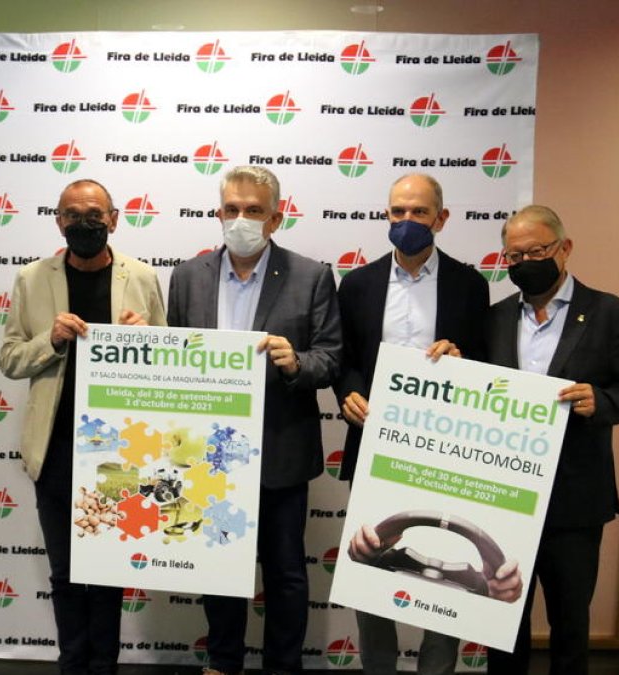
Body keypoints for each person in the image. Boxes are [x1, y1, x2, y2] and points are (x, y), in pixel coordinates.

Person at [336, 173, 520, 674]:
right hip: (374, 445)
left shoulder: (469, 284)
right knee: (373, 569)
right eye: (398, 211)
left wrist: (462, 359)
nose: (407, 221)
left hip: (445, 452)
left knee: (447, 582)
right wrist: (347, 393)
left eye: (419, 212)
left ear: (441, 218)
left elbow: (486, 364)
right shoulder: (357, 284)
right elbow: (344, 358)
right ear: (386, 215)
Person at [167, 166, 342, 675]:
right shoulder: (187, 276)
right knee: (218, 568)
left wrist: (296, 362)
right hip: (210, 454)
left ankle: (283, 666)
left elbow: (330, 358)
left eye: (253, 210)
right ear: (218, 213)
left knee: (285, 573)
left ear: (275, 218)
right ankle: (223, 661)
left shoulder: (311, 275)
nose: (240, 219)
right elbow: (174, 357)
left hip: (280, 450)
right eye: (232, 209)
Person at [0, 179, 165, 675]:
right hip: (56, 449)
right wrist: (49, 341)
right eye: (72, 214)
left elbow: (170, 363)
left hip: (118, 451)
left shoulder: (142, 277)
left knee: (109, 571)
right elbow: (9, 359)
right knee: (66, 572)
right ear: (58, 221)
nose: (84, 223)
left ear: (114, 219)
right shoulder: (32, 278)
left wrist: (149, 342)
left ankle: (104, 665)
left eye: (94, 214)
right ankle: (72, 663)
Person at [484, 205, 619, 675]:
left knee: (570, 624)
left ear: (565, 248)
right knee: (501, 623)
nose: (525, 263)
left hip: (576, 498)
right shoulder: (494, 318)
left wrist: (602, 401)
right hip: (505, 496)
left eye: (537, 251)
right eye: (515, 256)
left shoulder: (611, 314)